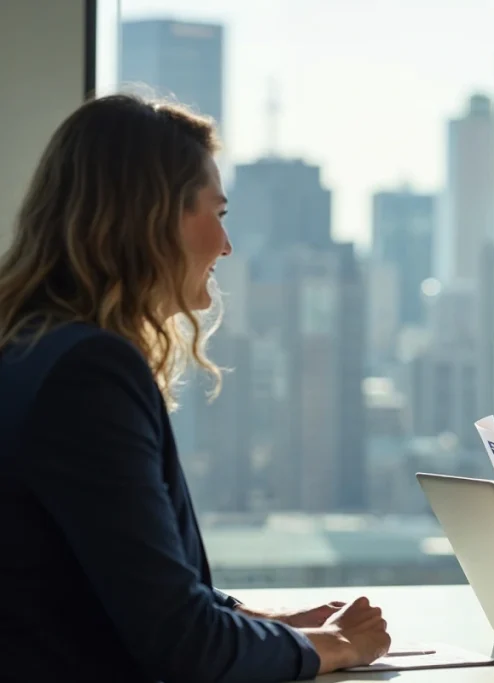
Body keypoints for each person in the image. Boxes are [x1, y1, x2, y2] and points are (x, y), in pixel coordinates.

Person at [0, 94, 390, 682]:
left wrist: (266, 622)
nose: (226, 246)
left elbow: (105, 588)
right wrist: (331, 647)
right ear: (153, 218)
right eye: (218, 213)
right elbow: (181, 644)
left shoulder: (27, 348)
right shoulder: (89, 371)